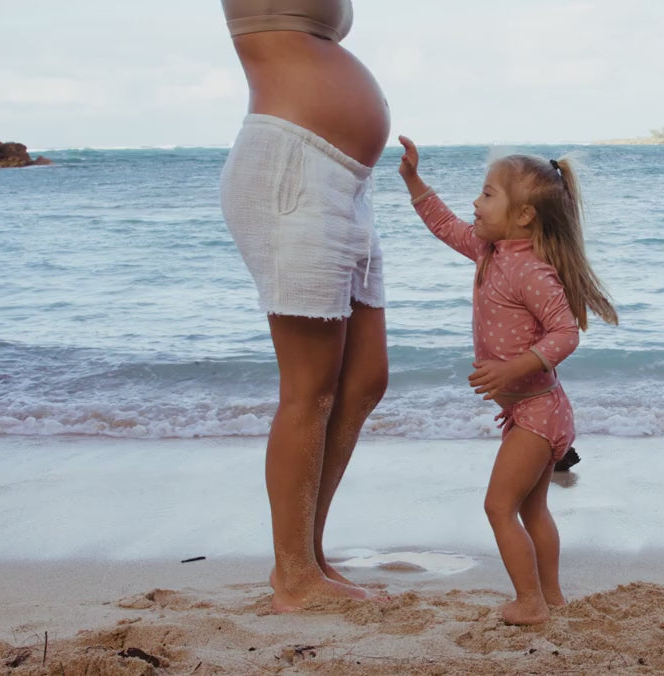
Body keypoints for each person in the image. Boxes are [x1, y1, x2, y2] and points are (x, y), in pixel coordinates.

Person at [397, 136, 618, 624]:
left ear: (523, 215)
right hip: (531, 407)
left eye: (488, 193)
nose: (475, 203)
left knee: (499, 507)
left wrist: (513, 367)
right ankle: (551, 596)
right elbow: (442, 225)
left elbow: (566, 334)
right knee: (533, 511)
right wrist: (414, 180)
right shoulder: (487, 251)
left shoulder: (531, 272)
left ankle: (530, 603)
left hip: (538, 410)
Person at [217, 0, 390, 612]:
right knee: (310, 387)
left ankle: (308, 556)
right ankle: (293, 576)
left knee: (366, 378)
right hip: (293, 167)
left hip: (344, 181)